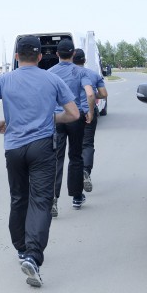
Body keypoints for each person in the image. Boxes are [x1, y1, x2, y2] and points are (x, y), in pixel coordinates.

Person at [0, 35, 79, 288]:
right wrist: (48, 118)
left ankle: (21, 249)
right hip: (42, 147)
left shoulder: (3, 80)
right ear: (41, 57)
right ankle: (33, 255)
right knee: (41, 200)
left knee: (18, 197)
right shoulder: (52, 79)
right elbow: (74, 113)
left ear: (16, 57)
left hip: (13, 148)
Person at [48, 39, 95, 215]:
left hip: (58, 118)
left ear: (57, 54)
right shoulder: (80, 72)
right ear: (73, 54)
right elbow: (90, 93)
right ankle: (76, 196)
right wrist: (89, 111)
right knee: (76, 156)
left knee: (56, 158)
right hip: (76, 117)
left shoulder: (50, 73)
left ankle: (53, 199)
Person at [72, 49, 108, 193]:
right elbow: (104, 94)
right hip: (88, 113)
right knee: (87, 144)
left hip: (70, 114)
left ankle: (74, 183)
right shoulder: (93, 74)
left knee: (74, 147)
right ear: (85, 60)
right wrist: (93, 95)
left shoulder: (67, 75)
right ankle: (86, 171)